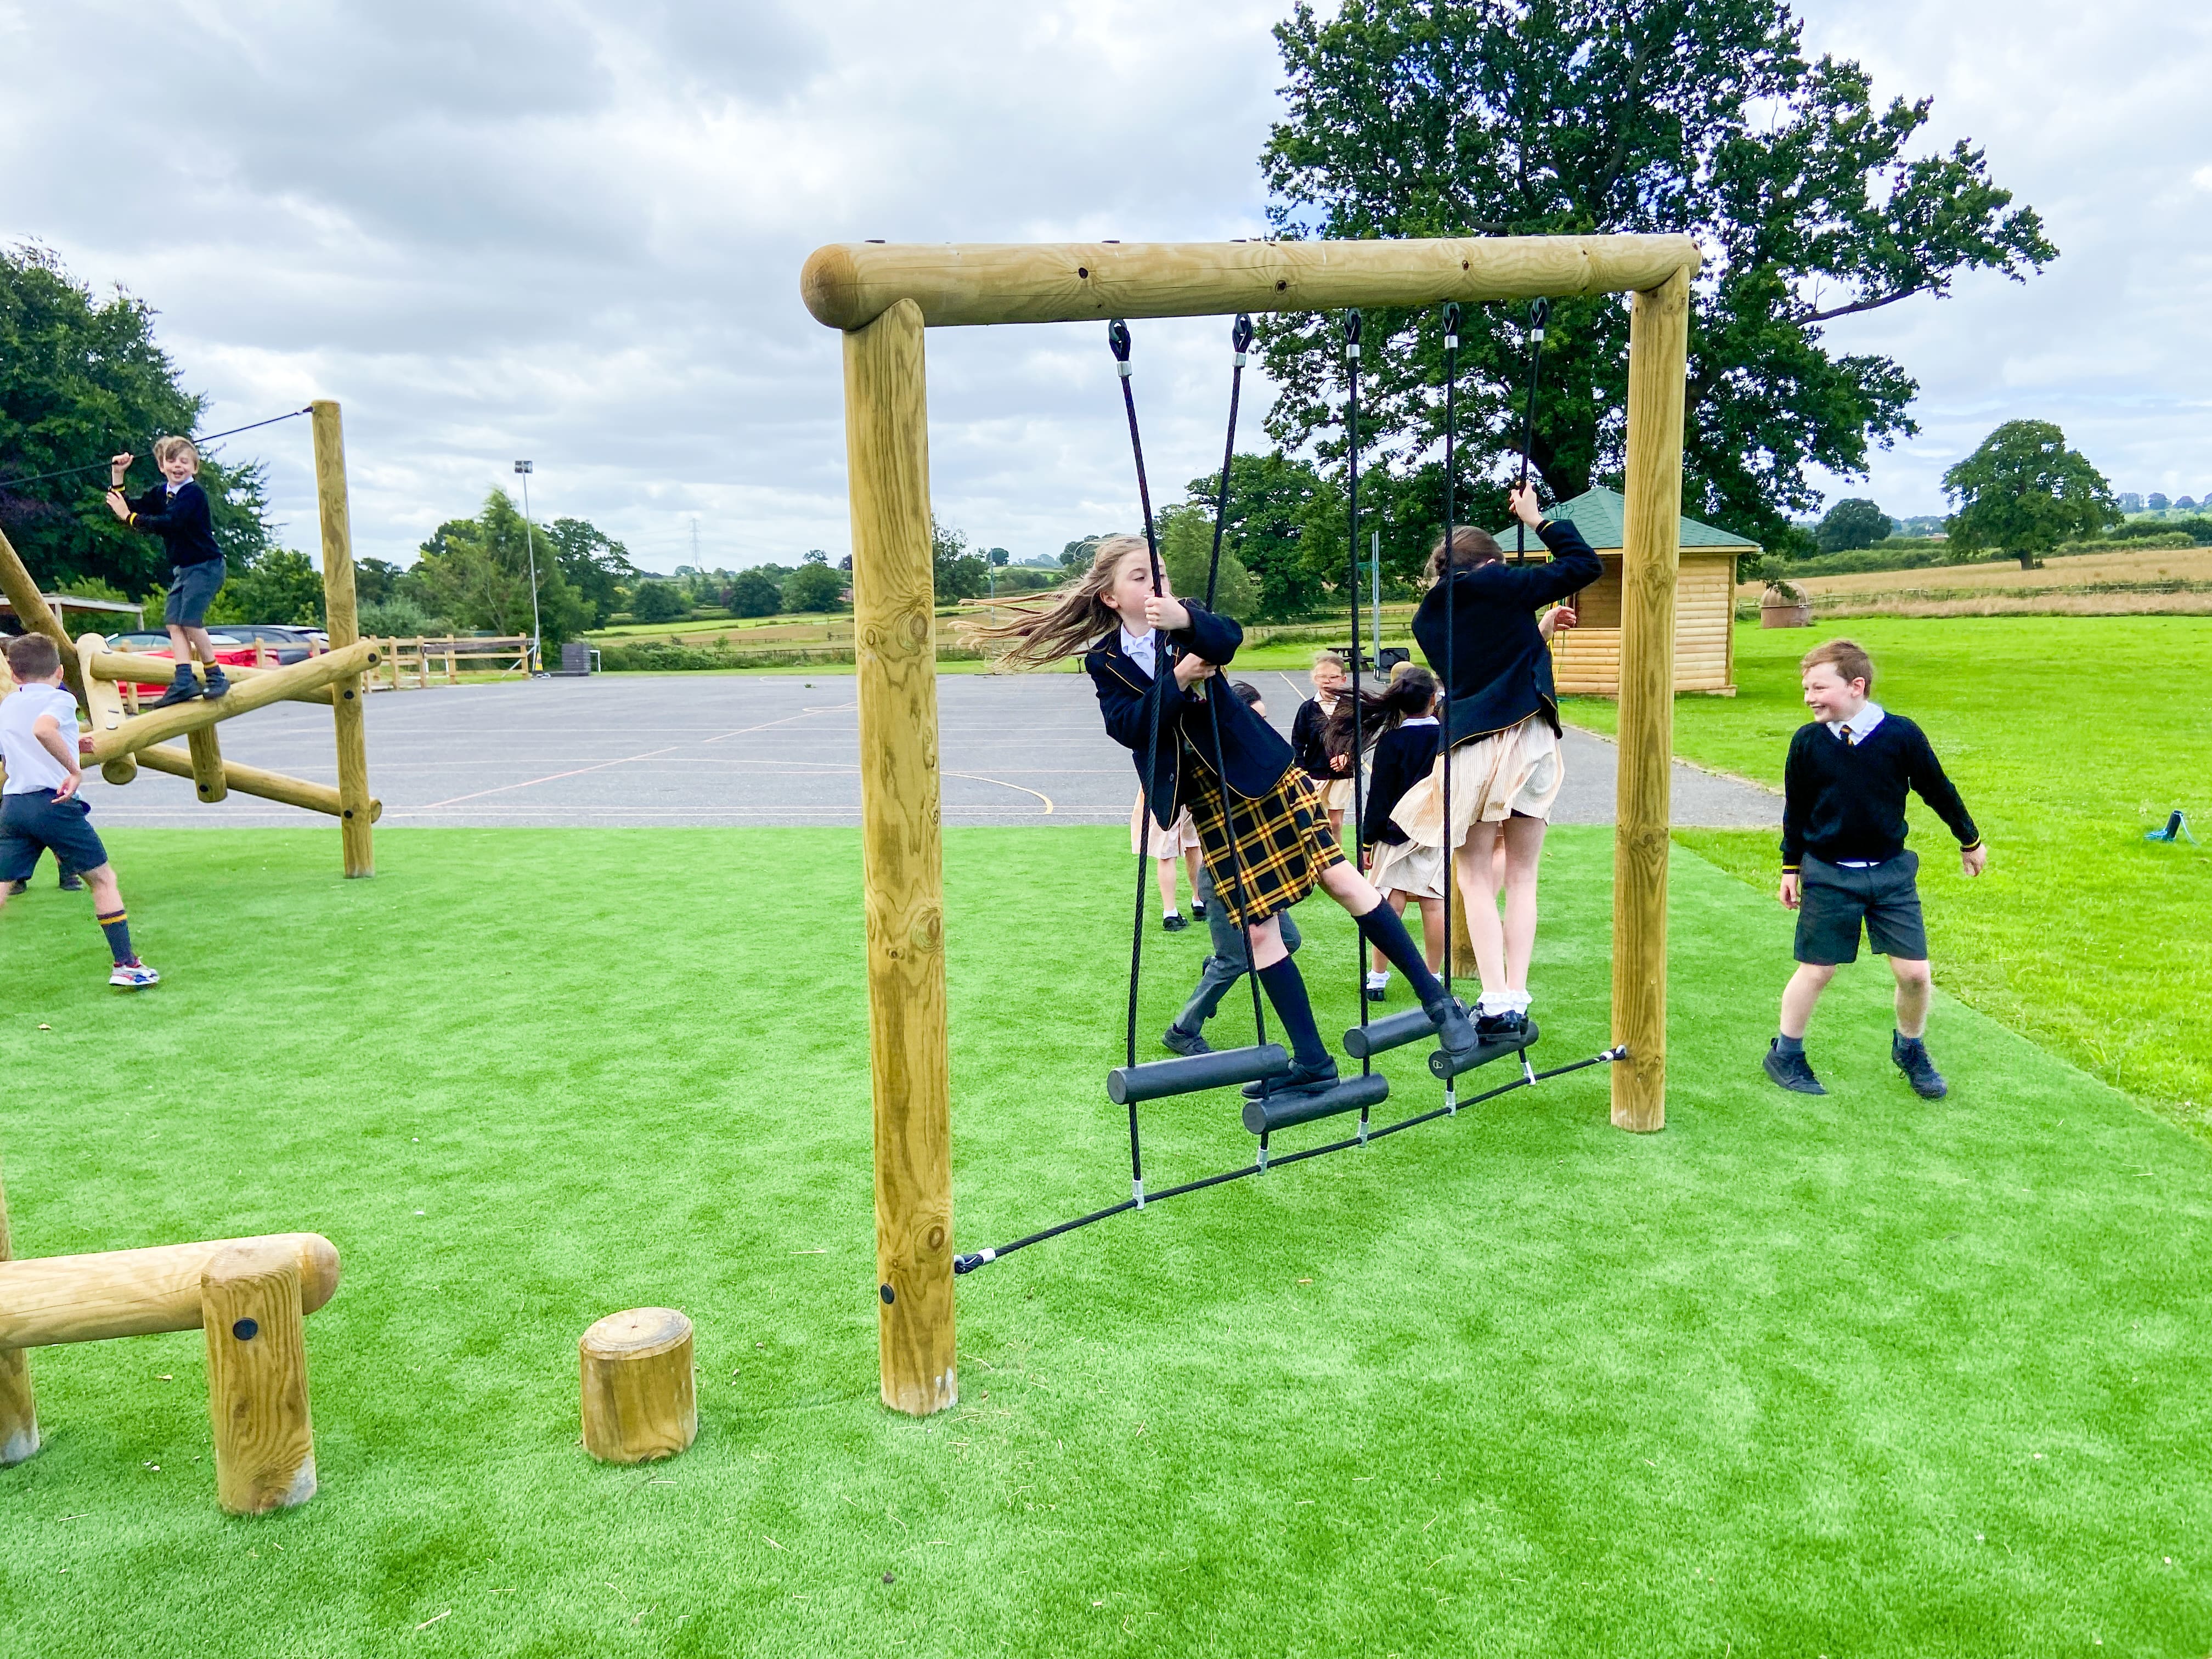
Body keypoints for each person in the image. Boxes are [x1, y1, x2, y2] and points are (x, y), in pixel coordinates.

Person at [973, 538, 1481, 1101]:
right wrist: (1182, 676)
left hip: (1259, 774)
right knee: (1256, 927)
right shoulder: (1106, 661)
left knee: (1341, 878)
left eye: (1159, 573)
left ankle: (1440, 1005)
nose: (1154, 585)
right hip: (1210, 801)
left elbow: (1228, 638)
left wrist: (1186, 620)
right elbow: (1130, 727)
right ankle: (1313, 1061)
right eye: (1140, 578)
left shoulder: (1183, 619)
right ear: (1110, 597)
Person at [1401, 481, 1599, 1039]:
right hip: (1534, 741)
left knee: (1473, 876)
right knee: (1523, 874)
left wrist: (1534, 630)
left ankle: (1494, 998)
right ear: (1491, 561)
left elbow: (1481, 667)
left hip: (1474, 745)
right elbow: (1583, 565)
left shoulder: (1427, 619)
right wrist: (1538, 520)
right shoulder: (1502, 584)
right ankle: (1518, 989)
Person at [1765, 638, 1985, 1099]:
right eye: (1806, 689)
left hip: (1890, 875)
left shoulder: (1901, 735)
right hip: (1828, 872)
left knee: (1914, 975)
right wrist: (1791, 866)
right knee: (1817, 971)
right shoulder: (1807, 742)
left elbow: (1937, 789)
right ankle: (1786, 1053)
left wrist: (1970, 839)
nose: (1809, 698)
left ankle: (1909, 1048)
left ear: (1856, 686)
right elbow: (1798, 808)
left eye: (1818, 687)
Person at [0, 633, 159, 987]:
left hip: (13, 805)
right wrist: (74, 769)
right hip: (53, 804)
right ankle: (126, 966)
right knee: (103, 880)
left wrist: (72, 744)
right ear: (59, 672)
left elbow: (17, 744)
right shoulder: (60, 698)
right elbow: (43, 729)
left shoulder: (7, 705)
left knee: (2, 887)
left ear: (14, 675)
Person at [1160, 682, 1301, 1056]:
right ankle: (1182, 1030)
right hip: (1224, 875)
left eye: (1265, 720)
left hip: (1256, 872)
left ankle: (1215, 968)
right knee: (1235, 959)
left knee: (1288, 941)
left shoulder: (1256, 762)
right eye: (1253, 720)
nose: (1261, 730)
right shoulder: (1216, 765)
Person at [1335, 667, 1446, 1001]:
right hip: (1435, 827)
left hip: (1394, 830)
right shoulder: (1447, 736)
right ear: (1432, 699)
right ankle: (1434, 977)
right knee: (1433, 901)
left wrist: (1366, 840)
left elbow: (1380, 794)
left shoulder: (1392, 740)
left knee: (1388, 904)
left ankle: (1378, 978)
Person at [105, 437, 229, 709]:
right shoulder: (162, 493)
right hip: (184, 569)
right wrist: (118, 474)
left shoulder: (193, 495)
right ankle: (184, 678)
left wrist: (129, 518)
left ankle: (215, 674)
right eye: (171, 461)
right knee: (174, 622)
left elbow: (169, 524)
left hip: (206, 566)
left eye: (184, 461)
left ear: (194, 467)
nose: (178, 466)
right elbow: (128, 505)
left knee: (191, 621)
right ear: (162, 466)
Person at [1290, 652, 1356, 837]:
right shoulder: (1307, 708)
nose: (1326, 681)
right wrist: (1303, 772)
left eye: (1333, 677)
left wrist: (1347, 755)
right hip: (1314, 772)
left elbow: (1358, 737)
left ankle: (1337, 859)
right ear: (1314, 678)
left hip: (1342, 774)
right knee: (1314, 819)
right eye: (1321, 677)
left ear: (1343, 679)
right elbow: (1297, 742)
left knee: (1335, 822)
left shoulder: (1350, 706)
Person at [1130, 795, 1205, 931]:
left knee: (1168, 848)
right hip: (1192, 782)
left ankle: (1171, 913)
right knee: (1193, 839)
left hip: (1165, 786)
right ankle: (1200, 902)